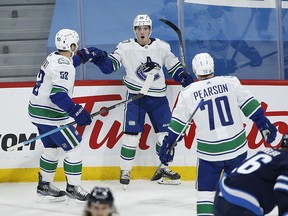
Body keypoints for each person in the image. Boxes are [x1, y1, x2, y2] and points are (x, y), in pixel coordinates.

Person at [77, 14, 194, 187]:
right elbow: (110, 67)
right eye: (139, 29)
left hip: (158, 99)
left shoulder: (161, 46)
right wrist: (100, 59)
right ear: (134, 30)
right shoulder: (125, 47)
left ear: (150, 30)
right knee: (131, 136)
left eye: (145, 28)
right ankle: (125, 171)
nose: (142, 32)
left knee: (165, 136)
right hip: (136, 98)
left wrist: (182, 76)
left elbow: (173, 67)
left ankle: (163, 167)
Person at [158, 53, 277, 215]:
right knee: (239, 193)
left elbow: (177, 127)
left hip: (210, 154)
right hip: (237, 150)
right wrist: (263, 125)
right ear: (213, 67)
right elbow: (251, 106)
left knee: (205, 196)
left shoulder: (188, 93)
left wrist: (168, 146)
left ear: (194, 71)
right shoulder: (230, 82)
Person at [29, 29, 93, 202]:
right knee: (74, 147)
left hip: (36, 111)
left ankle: (44, 186)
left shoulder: (53, 57)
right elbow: (57, 95)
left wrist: (83, 57)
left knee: (51, 149)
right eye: (75, 45)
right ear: (71, 45)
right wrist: (76, 111)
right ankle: (73, 188)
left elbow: (67, 64)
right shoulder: (64, 65)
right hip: (51, 115)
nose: (76, 47)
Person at [214, 134, 288, 216]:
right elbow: (283, 192)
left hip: (222, 194)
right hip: (243, 202)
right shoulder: (285, 161)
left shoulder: (266, 152)